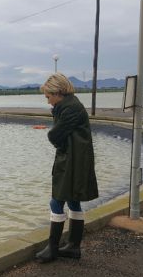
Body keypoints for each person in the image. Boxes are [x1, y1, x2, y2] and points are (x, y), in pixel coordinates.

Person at [35, 72, 98, 263]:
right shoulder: (72, 105)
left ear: (58, 92)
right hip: (76, 159)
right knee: (73, 201)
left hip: (72, 161)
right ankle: (73, 246)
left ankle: (53, 248)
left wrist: (55, 139)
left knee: (57, 201)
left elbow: (54, 135)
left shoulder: (69, 108)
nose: (48, 102)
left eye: (48, 97)